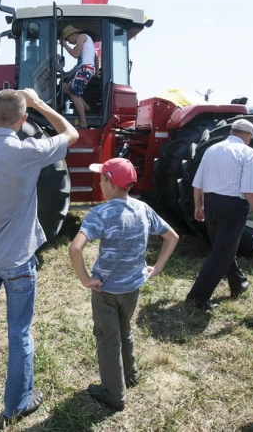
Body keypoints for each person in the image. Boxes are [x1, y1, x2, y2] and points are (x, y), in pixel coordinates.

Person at [0, 88, 79, 420]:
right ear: (23, 120)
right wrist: (39, 104)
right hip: (19, 261)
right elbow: (71, 133)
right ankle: (16, 404)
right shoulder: (30, 150)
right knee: (19, 333)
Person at [69, 158, 179, 411]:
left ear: (110, 183)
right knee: (125, 329)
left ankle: (114, 395)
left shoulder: (101, 213)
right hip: (132, 287)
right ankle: (129, 376)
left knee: (108, 339)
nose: (99, 182)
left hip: (106, 290)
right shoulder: (143, 209)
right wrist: (158, 266)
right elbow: (171, 237)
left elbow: (75, 248)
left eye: (101, 179)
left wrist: (86, 279)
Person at [186, 119, 253, 310]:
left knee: (224, 247)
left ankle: (237, 282)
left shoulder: (212, 149)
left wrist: (198, 206)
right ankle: (197, 297)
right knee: (221, 252)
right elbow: (251, 191)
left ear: (232, 131)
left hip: (211, 204)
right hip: (232, 206)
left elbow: (198, 182)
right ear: (248, 136)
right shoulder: (248, 153)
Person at [61, 25, 96, 128]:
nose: (70, 43)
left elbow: (75, 54)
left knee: (74, 94)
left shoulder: (82, 37)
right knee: (65, 87)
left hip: (86, 68)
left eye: (68, 40)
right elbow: (96, 57)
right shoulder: (86, 40)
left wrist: (64, 46)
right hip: (84, 68)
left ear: (72, 35)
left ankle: (83, 122)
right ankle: (86, 107)